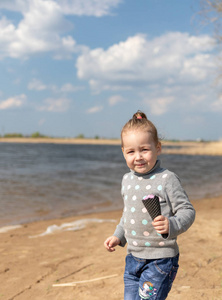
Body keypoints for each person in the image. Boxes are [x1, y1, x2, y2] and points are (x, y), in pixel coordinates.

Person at [104, 111, 195, 300]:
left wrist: (172, 224)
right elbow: (127, 214)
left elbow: (187, 210)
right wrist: (118, 236)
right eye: (131, 151)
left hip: (160, 260)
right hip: (133, 258)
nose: (138, 157)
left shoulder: (167, 179)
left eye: (144, 149)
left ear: (158, 148)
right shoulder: (126, 180)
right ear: (123, 152)